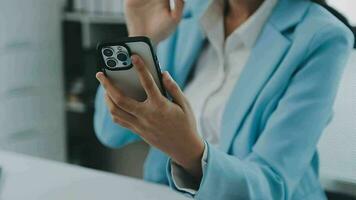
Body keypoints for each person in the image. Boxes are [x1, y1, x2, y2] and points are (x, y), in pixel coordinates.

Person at [94, 0, 354, 199]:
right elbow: (112, 133)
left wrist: (188, 151)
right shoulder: (184, 13)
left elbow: (271, 185)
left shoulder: (323, 36)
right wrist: (140, 38)